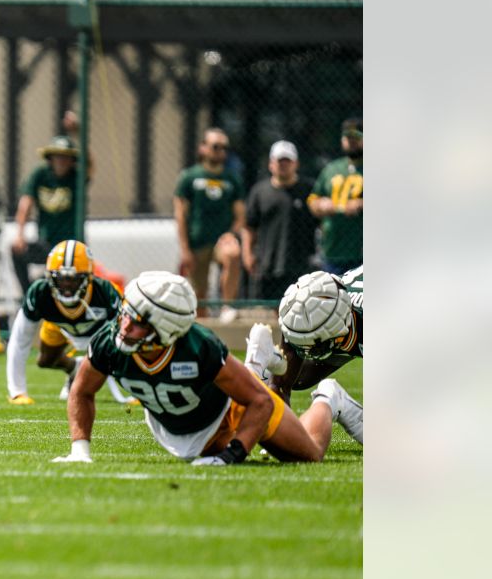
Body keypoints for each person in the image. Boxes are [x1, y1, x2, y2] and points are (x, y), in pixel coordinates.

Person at [52, 271, 360, 465]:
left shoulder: (199, 347)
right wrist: (80, 451)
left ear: (167, 327)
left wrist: (233, 455)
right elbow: (81, 390)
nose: (125, 327)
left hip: (234, 408)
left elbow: (259, 402)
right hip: (190, 426)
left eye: (138, 321)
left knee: (309, 455)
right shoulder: (109, 341)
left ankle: (327, 397)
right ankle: (256, 363)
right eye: (126, 315)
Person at [5, 240, 135, 406]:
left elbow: (126, 336)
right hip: (60, 327)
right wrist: (17, 392)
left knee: (113, 358)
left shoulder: (105, 292)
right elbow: (19, 340)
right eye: (61, 278)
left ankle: (88, 368)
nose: (66, 285)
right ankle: (75, 368)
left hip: (99, 332)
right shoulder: (40, 293)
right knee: (45, 360)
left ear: (88, 277)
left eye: (73, 279)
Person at [243, 267, 364, 444]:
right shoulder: (303, 311)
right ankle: (264, 364)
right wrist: (282, 437)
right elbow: (280, 385)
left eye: (312, 344)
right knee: (297, 377)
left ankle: (341, 404)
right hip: (347, 327)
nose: (306, 351)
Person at [173, 127, 245, 318]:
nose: (220, 151)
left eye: (224, 147)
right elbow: (180, 215)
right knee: (199, 301)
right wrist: (185, 249)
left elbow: (240, 216)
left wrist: (231, 233)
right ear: (203, 148)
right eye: (215, 146)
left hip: (221, 240)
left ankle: (227, 307)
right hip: (196, 242)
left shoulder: (232, 179)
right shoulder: (189, 177)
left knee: (233, 254)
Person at [241, 140, 319, 301]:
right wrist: (247, 253)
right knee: (267, 312)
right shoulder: (259, 192)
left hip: (301, 264)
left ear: (296, 164)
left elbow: (321, 223)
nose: (283, 165)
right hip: (268, 265)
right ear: (271, 164)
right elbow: (249, 227)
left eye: (287, 161)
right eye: (279, 161)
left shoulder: (309, 190)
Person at [12, 136, 82, 295]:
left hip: (71, 247)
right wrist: (20, 235)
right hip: (46, 244)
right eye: (58, 156)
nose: (61, 160)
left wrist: (78, 132)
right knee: (16, 250)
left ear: (72, 160)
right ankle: (28, 296)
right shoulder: (40, 174)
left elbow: (90, 165)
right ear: (50, 158)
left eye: (66, 157)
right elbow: (25, 204)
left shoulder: (77, 177)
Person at [308, 118, 364, 275]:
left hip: (362, 253)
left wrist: (361, 204)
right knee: (333, 297)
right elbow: (313, 201)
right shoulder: (331, 169)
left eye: (356, 138)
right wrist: (321, 205)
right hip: (333, 251)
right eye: (347, 138)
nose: (351, 142)